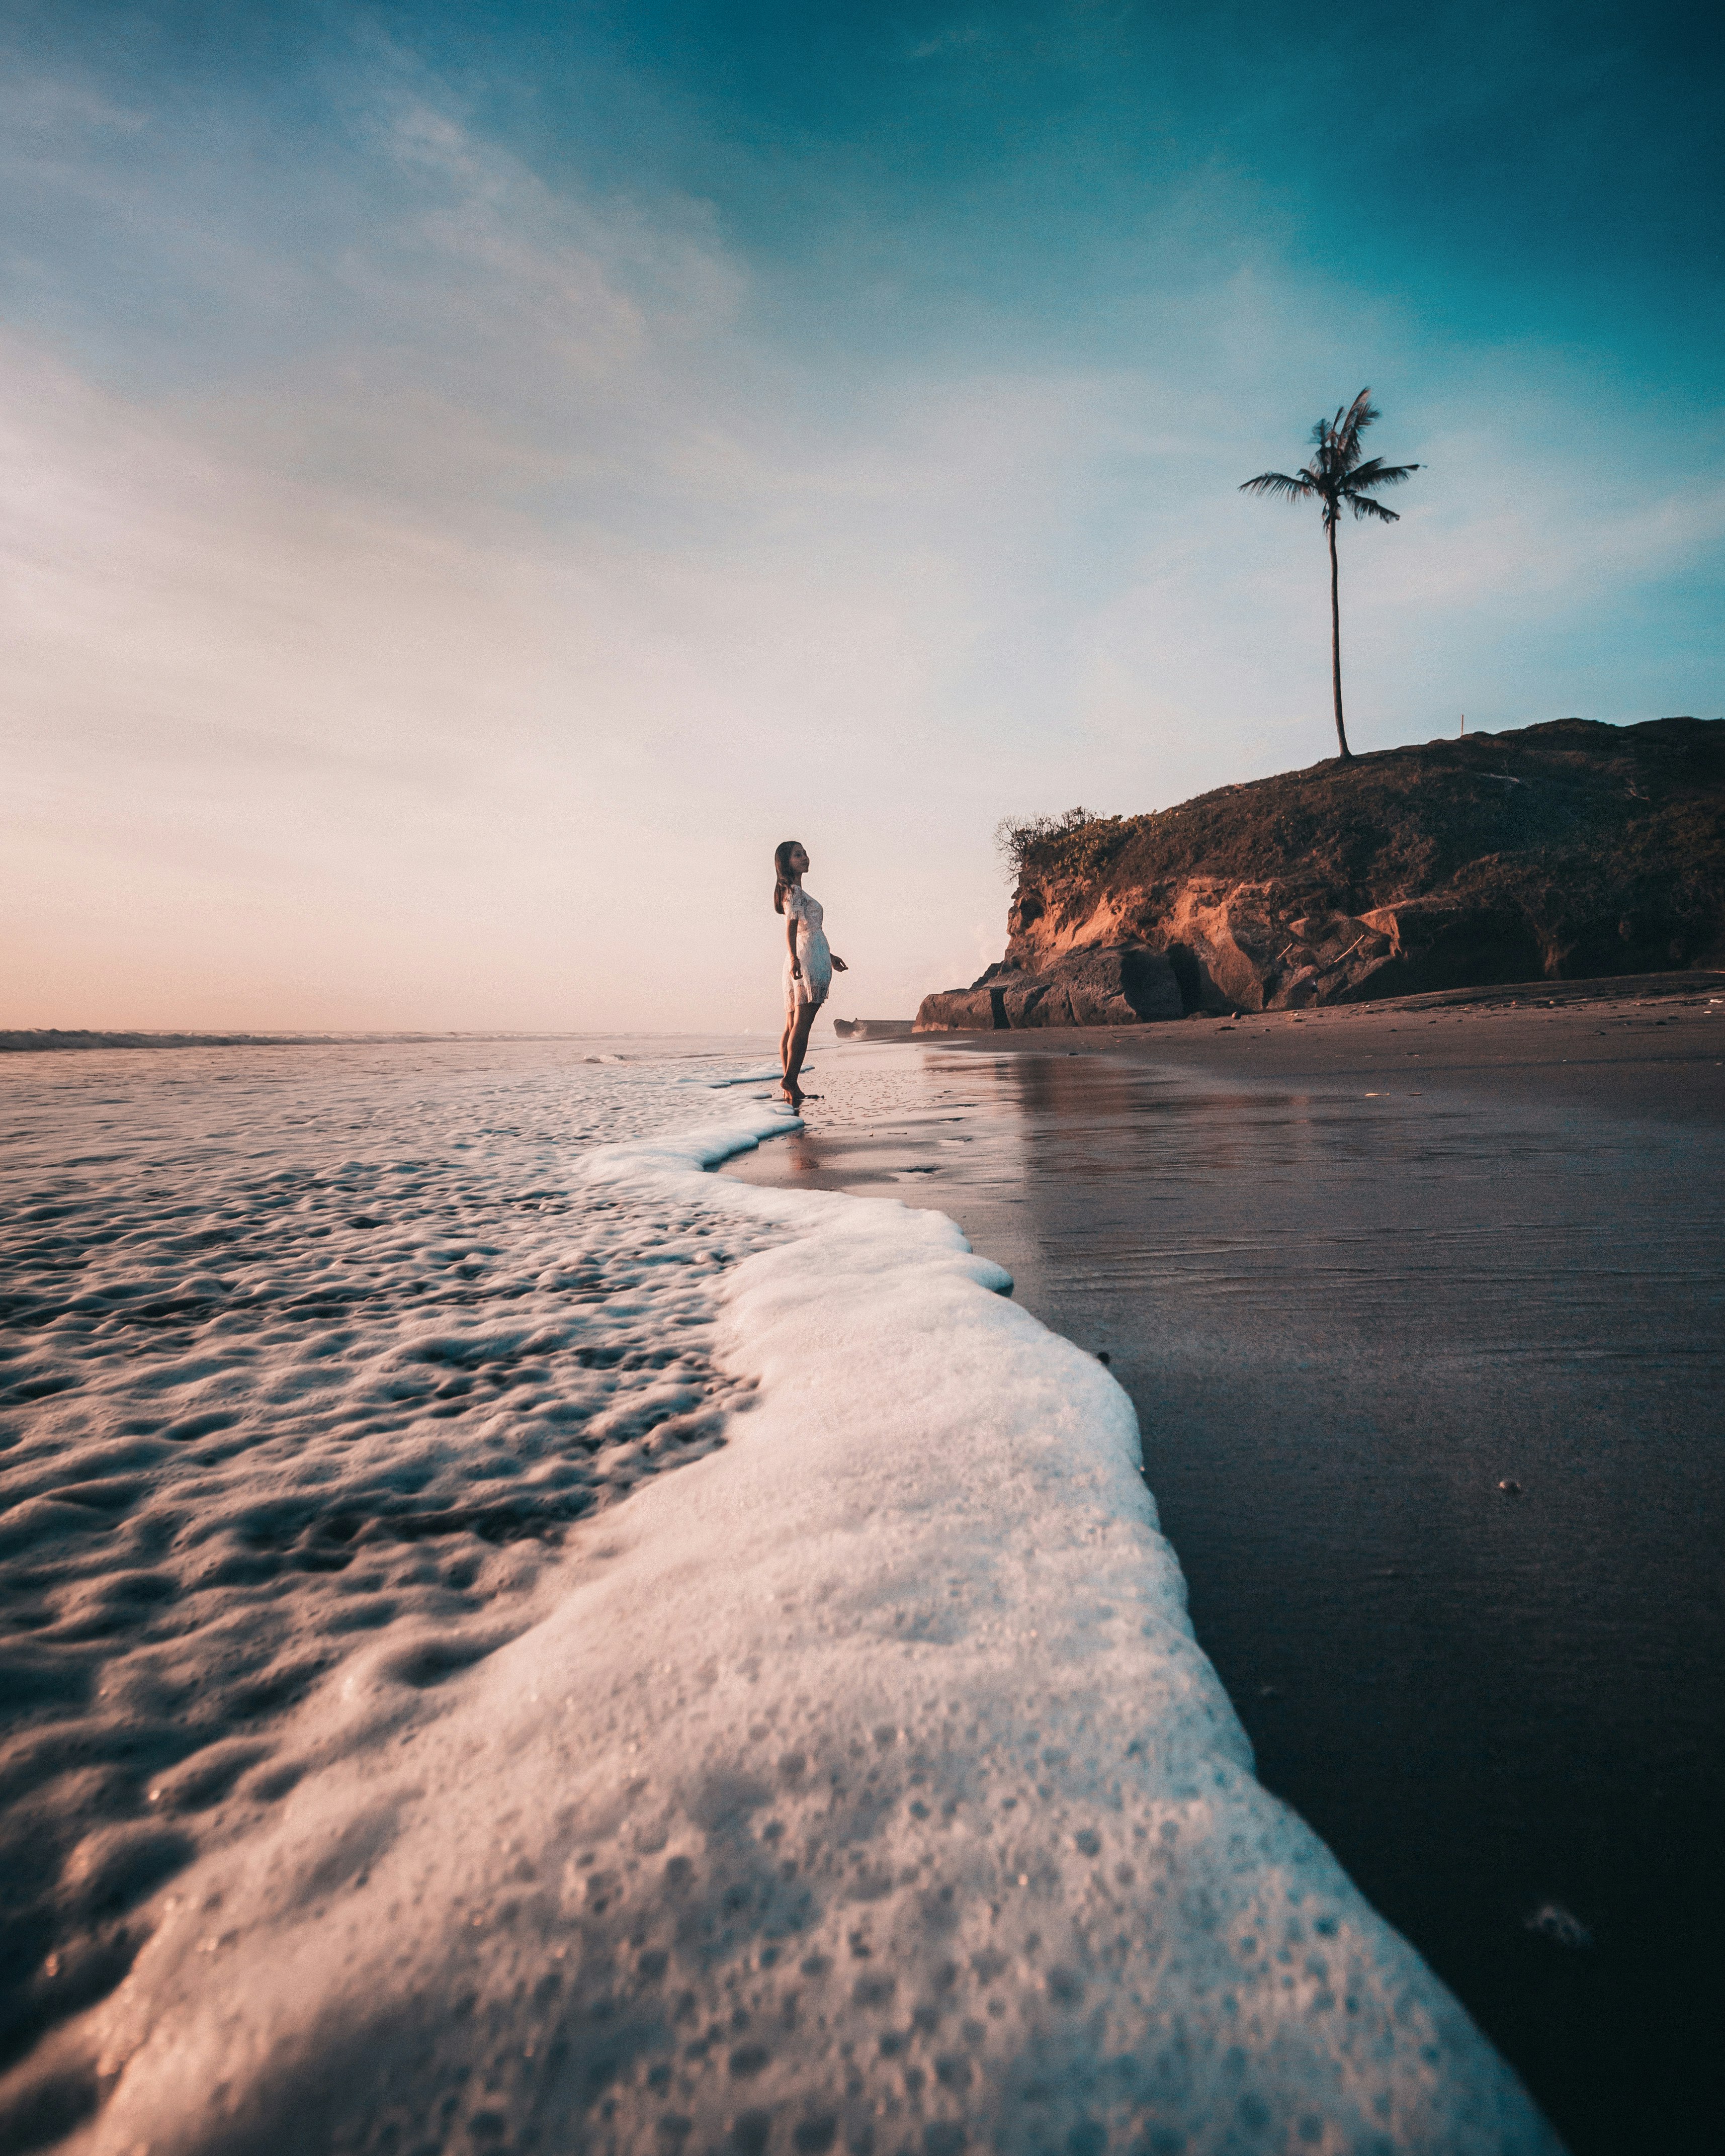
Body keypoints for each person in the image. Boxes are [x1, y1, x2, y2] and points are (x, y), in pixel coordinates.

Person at [773, 839, 846, 1107]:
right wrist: (795, 957)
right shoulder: (793, 892)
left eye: (805, 853)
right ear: (786, 862)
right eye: (797, 855)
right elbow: (792, 928)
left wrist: (830, 956)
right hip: (805, 960)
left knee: (792, 1025)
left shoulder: (793, 892)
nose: (805, 858)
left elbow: (804, 930)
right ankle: (790, 1080)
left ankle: (790, 1086)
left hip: (805, 956)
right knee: (803, 1024)